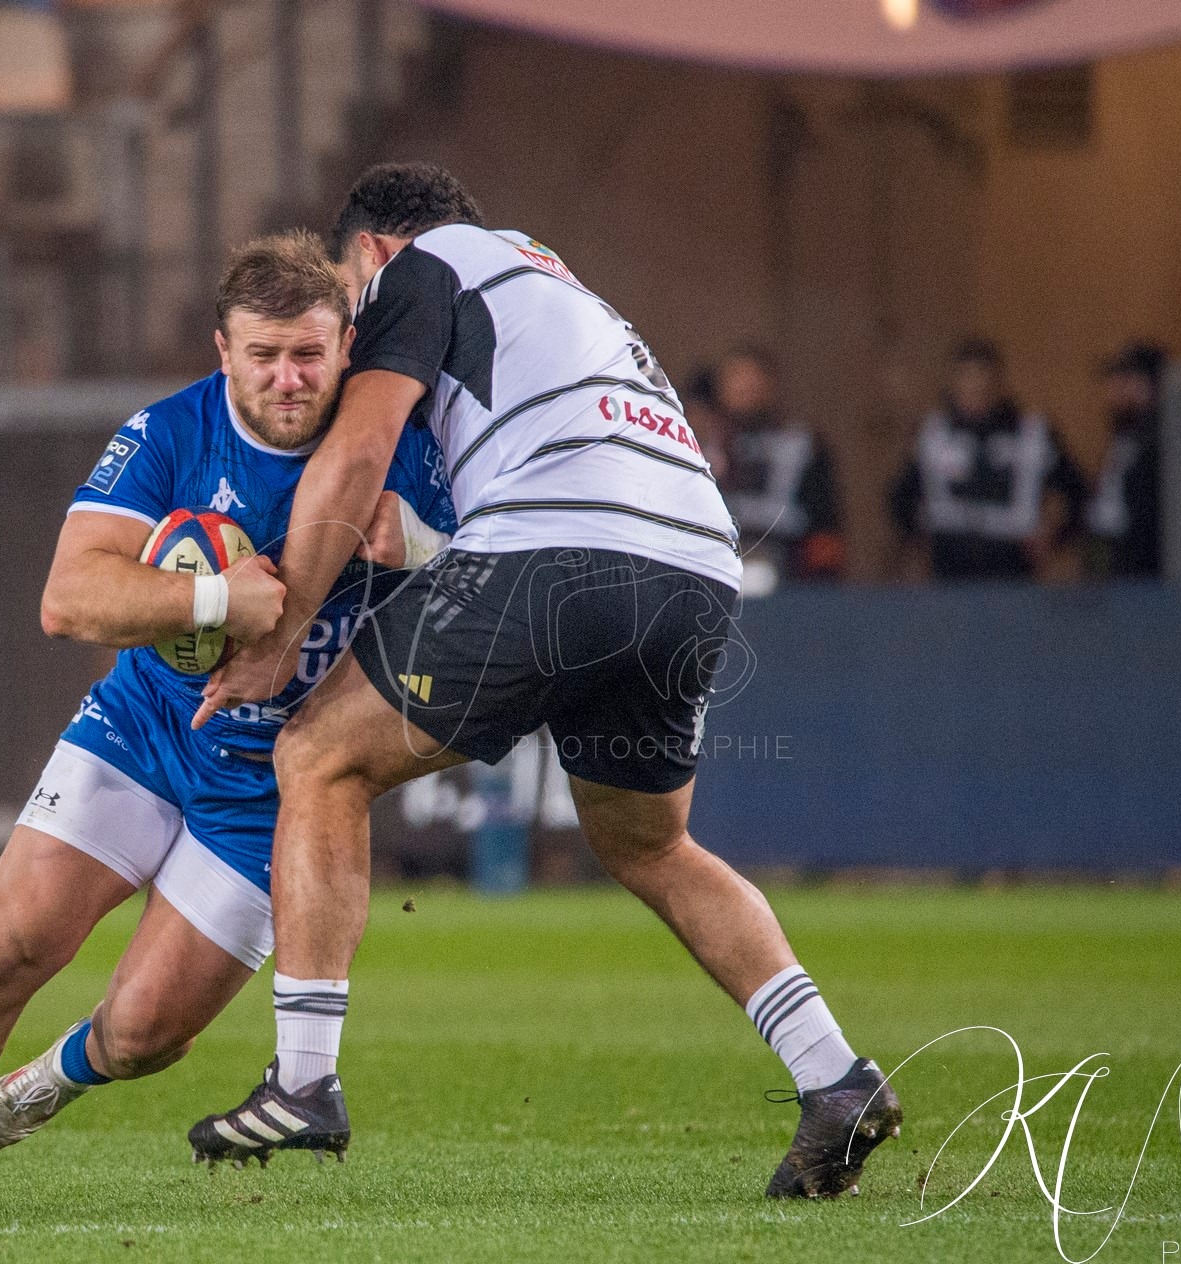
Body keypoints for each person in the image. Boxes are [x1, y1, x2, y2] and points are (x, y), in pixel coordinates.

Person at [185, 163, 902, 1200]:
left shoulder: (416, 270)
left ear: (374, 250)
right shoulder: (559, 285)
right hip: (700, 564)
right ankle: (834, 1075)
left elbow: (359, 448)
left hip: (558, 553)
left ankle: (302, 1081)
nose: (347, 325)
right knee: (650, 842)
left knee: (316, 752)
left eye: (346, 296)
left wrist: (282, 628)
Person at [0, 231, 456, 1206]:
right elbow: (68, 598)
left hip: (276, 788)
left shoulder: (402, 451)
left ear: (346, 351)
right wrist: (215, 601)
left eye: (309, 354)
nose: (288, 378)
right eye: (264, 355)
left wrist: (420, 544)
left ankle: (55, 1074)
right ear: (223, 351)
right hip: (144, 730)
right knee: (14, 944)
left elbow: (511, 566)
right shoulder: (171, 434)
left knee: (146, 1033)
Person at [888, 337, 1088, 581]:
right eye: (966, 378)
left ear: (998, 383)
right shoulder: (933, 435)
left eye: (982, 378)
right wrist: (921, 536)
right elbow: (901, 497)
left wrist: (1052, 533)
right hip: (950, 563)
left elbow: (1075, 491)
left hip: (1013, 563)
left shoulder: (1032, 434)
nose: (975, 388)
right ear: (954, 383)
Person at [709, 344, 844, 584]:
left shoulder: (803, 444)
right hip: (716, 562)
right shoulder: (698, 444)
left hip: (787, 564)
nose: (745, 389)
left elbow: (824, 522)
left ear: (771, 386)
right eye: (736, 379)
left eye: (753, 380)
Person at [1085, 341, 1165, 579]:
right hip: (1113, 564)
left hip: (1145, 575)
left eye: (1123, 379)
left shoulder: (1162, 440)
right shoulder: (1125, 437)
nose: (1112, 389)